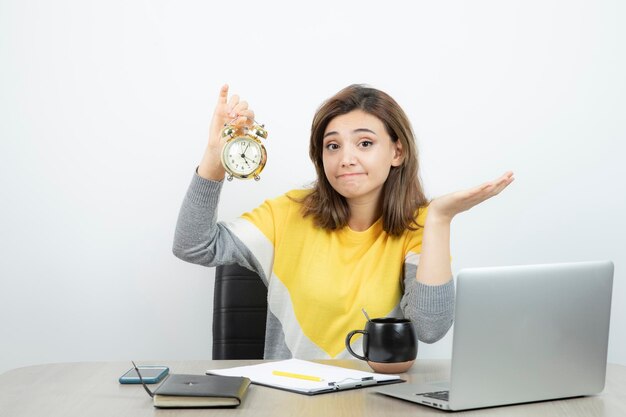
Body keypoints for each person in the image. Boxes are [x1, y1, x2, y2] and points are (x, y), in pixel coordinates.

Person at [173, 84, 514, 359]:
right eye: (332, 146)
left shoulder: (418, 226)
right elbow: (193, 246)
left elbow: (430, 328)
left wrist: (440, 219)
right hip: (289, 401)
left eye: (365, 143)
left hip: (376, 402)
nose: (346, 158)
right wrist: (215, 158)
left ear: (397, 152)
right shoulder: (289, 212)